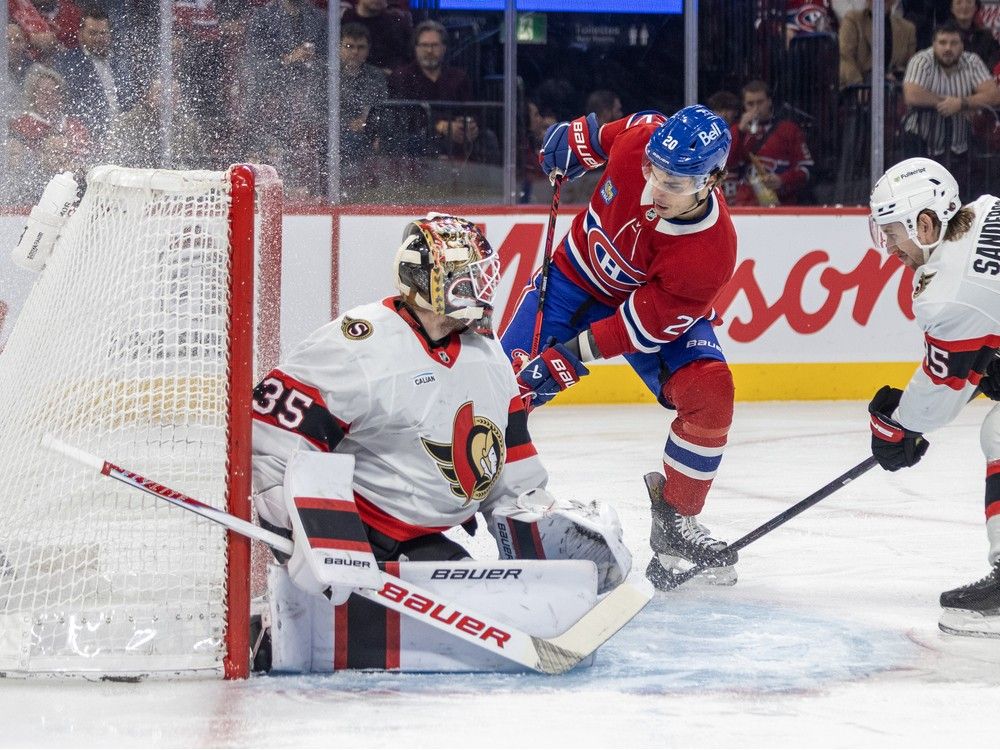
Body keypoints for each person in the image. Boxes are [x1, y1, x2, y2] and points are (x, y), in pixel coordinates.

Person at [251, 214, 630, 603]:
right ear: (423, 279)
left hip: (421, 546)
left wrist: (546, 529)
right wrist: (303, 537)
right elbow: (270, 443)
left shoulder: (486, 354)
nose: (480, 292)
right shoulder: (360, 345)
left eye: (481, 279)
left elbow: (511, 466)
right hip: (349, 546)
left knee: (486, 607)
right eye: (466, 279)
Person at [498, 105, 740, 590]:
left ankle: (676, 522)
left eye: (675, 184)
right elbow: (591, 135)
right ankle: (432, 499)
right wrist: (566, 140)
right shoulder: (640, 139)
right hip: (571, 280)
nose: (655, 189)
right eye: (654, 170)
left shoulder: (710, 253)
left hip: (634, 312)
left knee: (710, 393)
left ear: (713, 180)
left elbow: (637, 328)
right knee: (501, 390)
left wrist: (570, 355)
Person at [866, 156, 1000, 637]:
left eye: (893, 234)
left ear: (925, 223)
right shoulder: (985, 209)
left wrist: (899, 425)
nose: (889, 248)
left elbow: (940, 395)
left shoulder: (946, 294)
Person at [387, 20, 497, 164]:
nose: (429, 50)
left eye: (434, 45)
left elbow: (473, 109)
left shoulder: (459, 76)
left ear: (444, 48)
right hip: (422, 135)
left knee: (488, 137)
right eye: (424, 45)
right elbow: (402, 116)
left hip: (458, 133)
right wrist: (440, 126)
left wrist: (471, 124)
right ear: (416, 48)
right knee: (419, 141)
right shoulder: (401, 76)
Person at [901, 20, 999, 169]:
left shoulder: (972, 61)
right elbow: (912, 94)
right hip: (920, 142)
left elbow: (993, 95)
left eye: (954, 43)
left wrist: (961, 103)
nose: (948, 48)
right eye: (942, 42)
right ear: (933, 44)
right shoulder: (921, 60)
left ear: (962, 45)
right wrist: (949, 103)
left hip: (960, 145)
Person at [725, 79, 815, 206]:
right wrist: (739, 131)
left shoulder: (788, 130)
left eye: (760, 102)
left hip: (780, 205)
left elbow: (806, 169)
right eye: (750, 104)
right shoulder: (736, 130)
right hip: (745, 205)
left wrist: (782, 180)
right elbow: (726, 164)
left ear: (769, 101)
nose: (756, 108)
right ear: (744, 106)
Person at [54, 4, 127, 143]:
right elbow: (71, 106)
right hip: (91, 130)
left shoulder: (119, 62)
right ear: (80, 35)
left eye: (103, 33)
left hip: (124, 126)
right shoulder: (68, 63)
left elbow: (129, 98)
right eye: (93, 33)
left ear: (110, 34)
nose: (99, 38)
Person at [338, 22, 387, 197]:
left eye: (360, 47)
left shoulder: (376, 76)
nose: (355, 52)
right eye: (349, 46)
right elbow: (319, 112)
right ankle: (348, 190)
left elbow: (382, 109)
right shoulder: (327, 76)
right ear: (339, 47)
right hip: (336, 135)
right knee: (349, 141)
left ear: (368, 49)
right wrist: (347, 124)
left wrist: (371, 126)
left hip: (369, 133)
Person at [839, 0, 918, 89]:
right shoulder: (853, 19)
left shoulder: (908, 29)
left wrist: (896, 76)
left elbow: (910, 68)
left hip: (892, 92)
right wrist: (860, 86)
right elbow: (845, 57)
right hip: (858, 89)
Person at [949, 0, 1000, 69]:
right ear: (952, 8)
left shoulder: (986, 36)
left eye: (969, 2)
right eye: (959, 3)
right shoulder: (942, 35)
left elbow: (995, 58)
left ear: (976, 8)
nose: (964, 7)